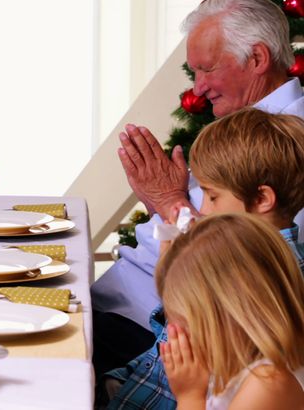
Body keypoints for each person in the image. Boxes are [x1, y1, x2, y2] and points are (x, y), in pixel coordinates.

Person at [92, 0, 304, 373]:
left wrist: (170, 202)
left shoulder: (289, 140)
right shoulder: (242, 127)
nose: (198, 88)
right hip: (132, 307)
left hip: (160, 332)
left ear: (257, 58)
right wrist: (164, 202)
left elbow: (256, 265)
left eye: (207, 69)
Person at [104, 108, 304, 409]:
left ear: (262, 199)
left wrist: (189, 396)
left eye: (211, 196)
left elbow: (187, 330)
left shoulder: (255, 268)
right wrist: (171, 256)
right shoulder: (241, 253)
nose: (204, 211)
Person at [158, 214, 304, 409]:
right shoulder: (235, 374)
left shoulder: (269, 384)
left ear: (234, 314)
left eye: (187, 327)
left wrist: (189, 397)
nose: (179, 338)